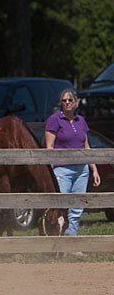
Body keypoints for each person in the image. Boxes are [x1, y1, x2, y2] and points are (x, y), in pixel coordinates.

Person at [44, 88, 101, 235]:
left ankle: (71, 240)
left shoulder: (81, 120)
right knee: (61, 206)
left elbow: (86, 146)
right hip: (62, 169)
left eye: (70, 100)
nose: (67, 103)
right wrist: (50, 171)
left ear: (76, 102)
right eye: (64, 100)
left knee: (77, 207)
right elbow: (49, 147)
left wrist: (94, 169)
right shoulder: (54, 120)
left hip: (82, 170)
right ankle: (56, 241)